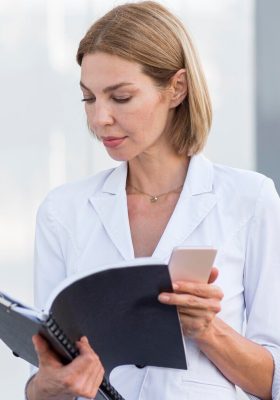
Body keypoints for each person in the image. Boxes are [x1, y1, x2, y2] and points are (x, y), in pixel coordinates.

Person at [26, 1, 280, 399]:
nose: (99, 119)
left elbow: (272, 382)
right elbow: (45, 377)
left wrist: (207, 330)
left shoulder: (249, 200)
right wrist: (47, 387)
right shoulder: (64, 211)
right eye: (89, 99)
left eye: (121, 97)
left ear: (176, 88)